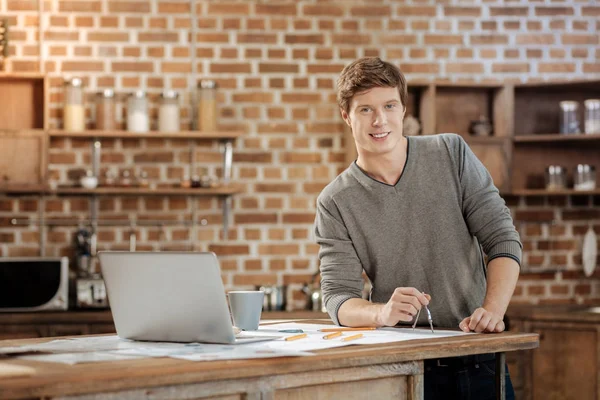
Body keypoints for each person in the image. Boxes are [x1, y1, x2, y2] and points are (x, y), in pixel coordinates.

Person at [314, 57, 522, 400]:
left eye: (389, 106)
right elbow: (338, 297)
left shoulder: (451, 153)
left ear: (403, 109)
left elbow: (502, 239)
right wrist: (381, 313)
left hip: (478, 357)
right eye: (365, 110)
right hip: (399, 368)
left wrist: (493, 312)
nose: (380, 120)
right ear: (346, 116)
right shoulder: (335, 201)